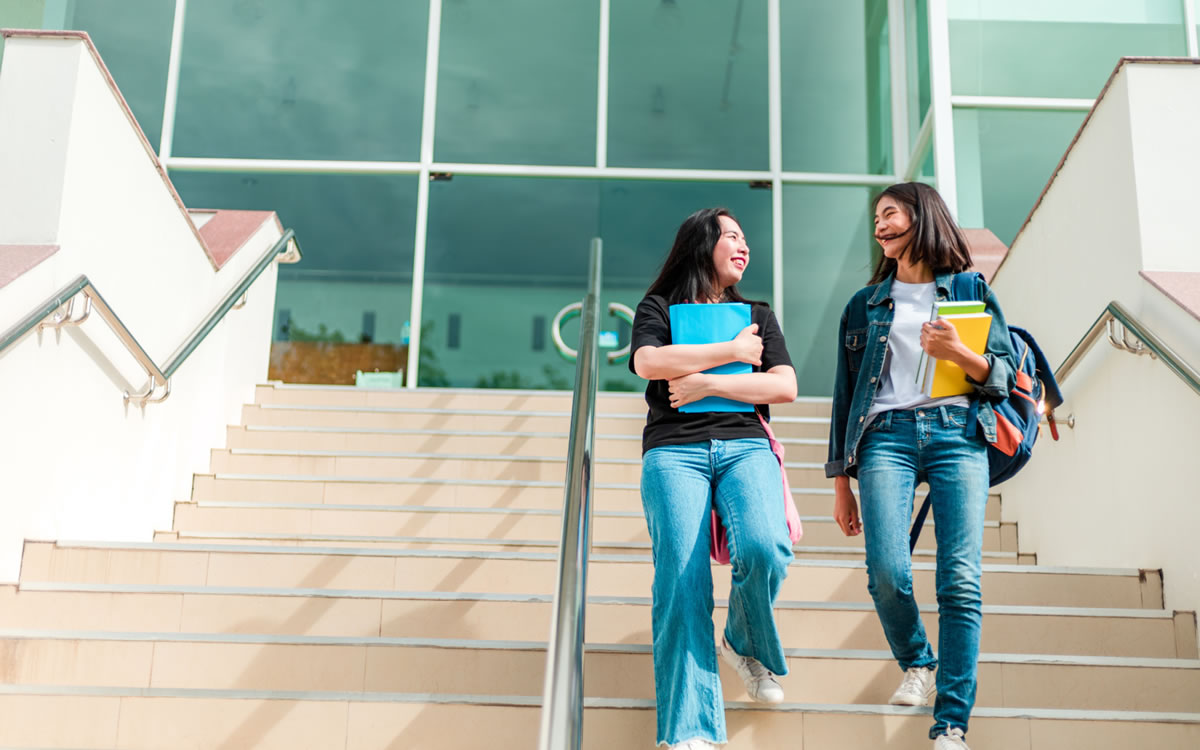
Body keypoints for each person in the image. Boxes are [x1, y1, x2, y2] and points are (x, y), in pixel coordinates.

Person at [826, 182, 1017, 750]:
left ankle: (952, 723)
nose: (880, 225)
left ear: (921, 216)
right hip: (886, 437)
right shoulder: (864, 305)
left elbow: (1001, 377)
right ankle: (918, 661)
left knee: (959, 580)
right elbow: (844, 395)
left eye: (890, 214)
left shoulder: (968, 289)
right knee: (887, 570)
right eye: (876, 218)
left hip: (960, 433)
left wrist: (957, 354)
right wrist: (842, 483)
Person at [629, 207, 798, 750]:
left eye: (745, 238)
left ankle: (743, 641)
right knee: (682, 585)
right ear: (702, 246)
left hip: (746, 445)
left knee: (766, 546)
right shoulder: (659, 307)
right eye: (731, 236)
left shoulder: (759, 314)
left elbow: (785, 387)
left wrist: (704, 386)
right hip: (673, 452)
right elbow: (649, 363)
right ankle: (690, 733)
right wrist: (731, 355)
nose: (743, 245)